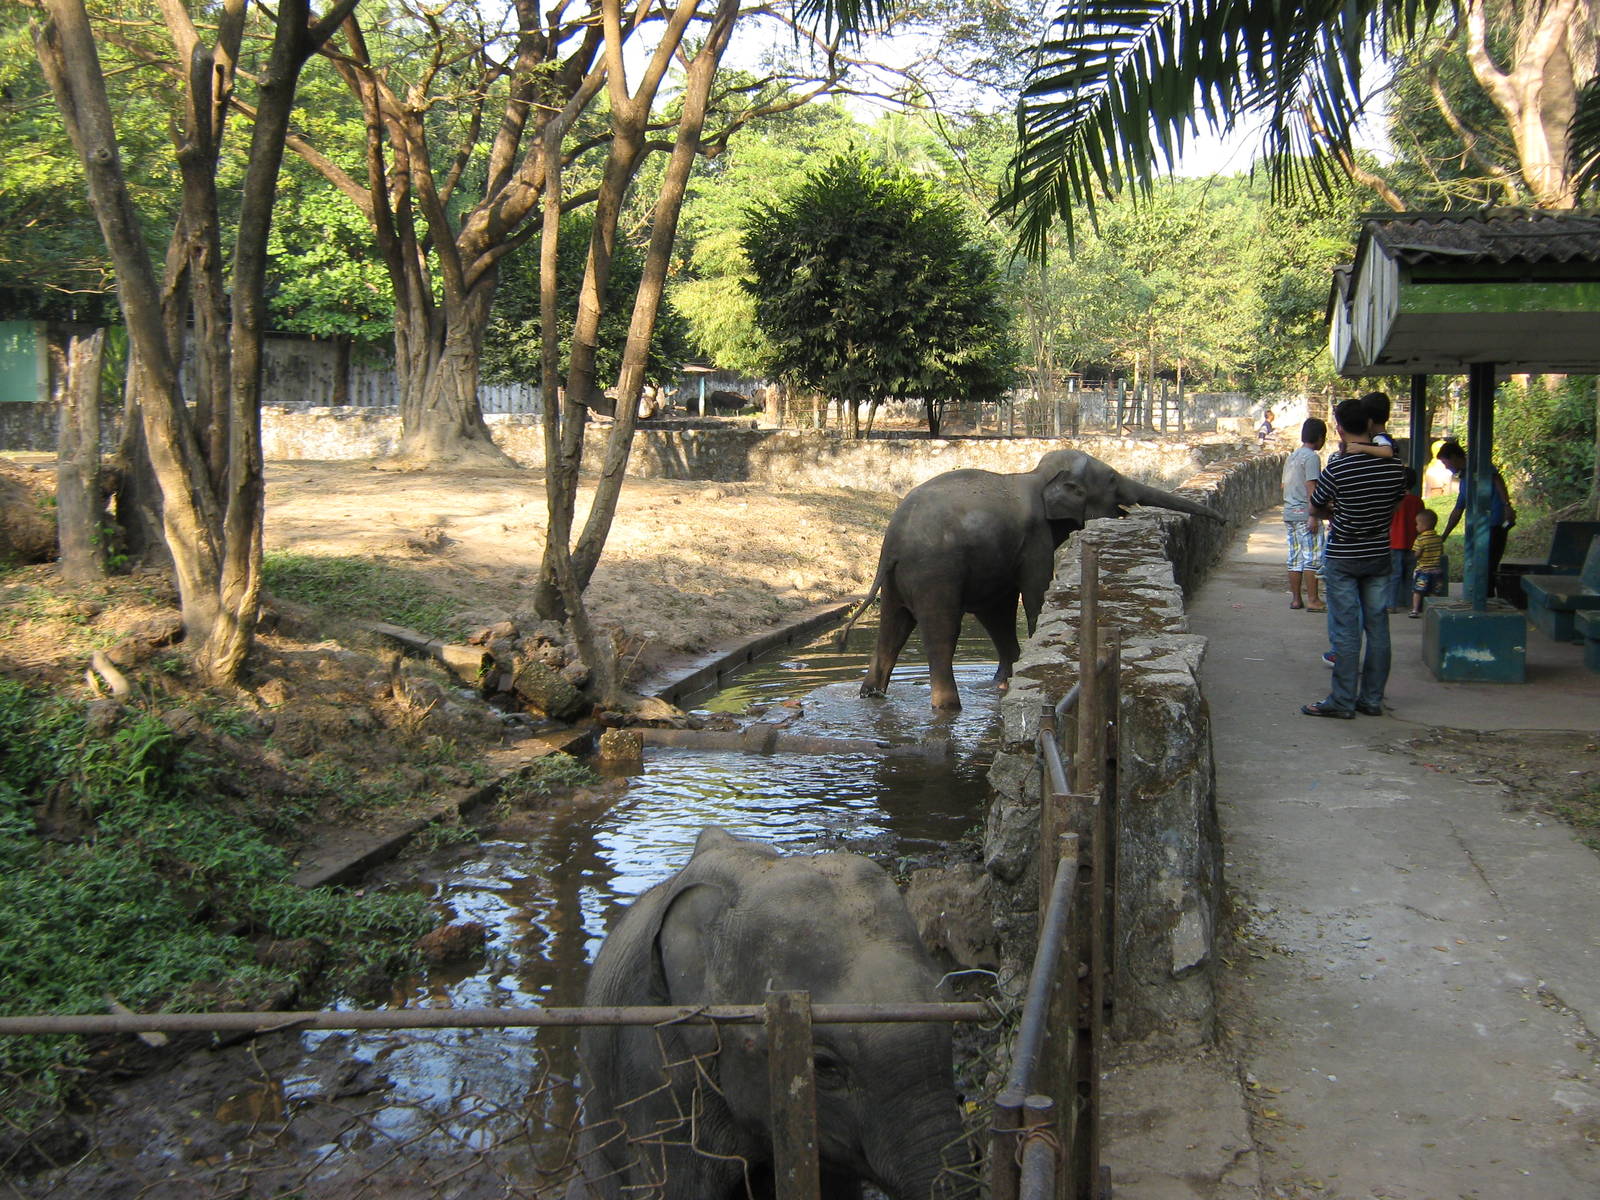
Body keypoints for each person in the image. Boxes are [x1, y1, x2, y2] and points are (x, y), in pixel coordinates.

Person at [1300, 397, 1406, 719]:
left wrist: (1339, 511)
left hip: (1344, 555)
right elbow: (1396, 503)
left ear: (1340, 429)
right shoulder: (1394, 468)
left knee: (1347, 631)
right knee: (1378, 628)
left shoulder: (1339, 466)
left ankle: (1342, 700)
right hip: (1378, 554)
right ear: (1371, 425)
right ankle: (1372, 699)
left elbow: (1316, 505)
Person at [1435, 440, 1515, 597]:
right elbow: (1458, 510)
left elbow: (1498, 481)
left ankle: (1487, 598)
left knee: (1489, 563)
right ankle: (1484, 595)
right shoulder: (1465, 480)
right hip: (1480, 526)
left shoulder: (1480, 466)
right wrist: (1444, 536)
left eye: (1446, 463)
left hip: (1494, 521)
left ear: (1453, 457)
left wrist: (1507, 505)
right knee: (1481, 564)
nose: (1447, 467)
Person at [1283, 417, 1327, 610]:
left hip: (1290, 512)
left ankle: (1295, 599)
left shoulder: (1292, 456)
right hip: (1305, 513)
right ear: (1319, 437)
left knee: (1295, 558)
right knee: (1312, 557)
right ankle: (1313, 599)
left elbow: (1284, 485)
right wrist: (1314, 514)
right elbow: (1312, 487)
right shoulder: (1311, 458)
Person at [1387, 467, 1424, 613]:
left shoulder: (1394, 500)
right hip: (1413, 543)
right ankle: (1411, 604)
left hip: (1395, 542)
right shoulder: (1417, 501)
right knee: (1410, 575)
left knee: (1394, 575)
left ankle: (1391, 604)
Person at [1410, 509, 1446, 617]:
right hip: (1437, 571)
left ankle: (1415, 610)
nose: (1416, 526)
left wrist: (1414, 556)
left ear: (1423, 525)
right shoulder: (1438, 539)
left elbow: (1417, 554)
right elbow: (1441, 552)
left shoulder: (1420, 539)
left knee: (1418, 591)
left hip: (1423, 572)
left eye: (1417, 524)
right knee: (1434, 592)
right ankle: (1433, 611)